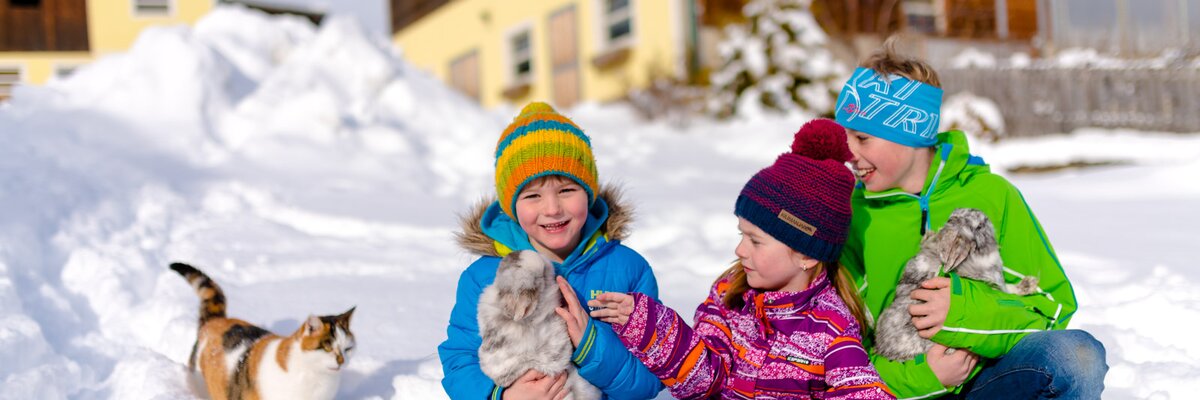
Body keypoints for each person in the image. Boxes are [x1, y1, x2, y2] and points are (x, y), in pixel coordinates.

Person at [834, 38, 1108, 399]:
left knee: (1077, 356)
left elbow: (1050, 306)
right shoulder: (852, 216)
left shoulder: (991, 195)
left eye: (862, 138)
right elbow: (837, 349)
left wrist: (961, 314)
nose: (847, 152)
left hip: (987, 383)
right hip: (896, 388)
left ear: (910, 132)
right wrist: (925, 376)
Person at [559, 119, 895, 399]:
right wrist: (650, 325)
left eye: (755, 241)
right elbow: (705, 378)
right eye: (741, 235)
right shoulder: (730, 296)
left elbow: (860, 389)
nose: (740, 250)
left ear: (806, 253)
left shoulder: (831, 330)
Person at [438, 102, 664, 399]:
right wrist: (501, 397)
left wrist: (591, 346)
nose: (553, 209)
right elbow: (459, 360)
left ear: (589, 192)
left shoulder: (628, 270)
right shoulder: (483, 276)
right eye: (533, 195)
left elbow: (651, 378)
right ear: (511, 207)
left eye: (567, 190)